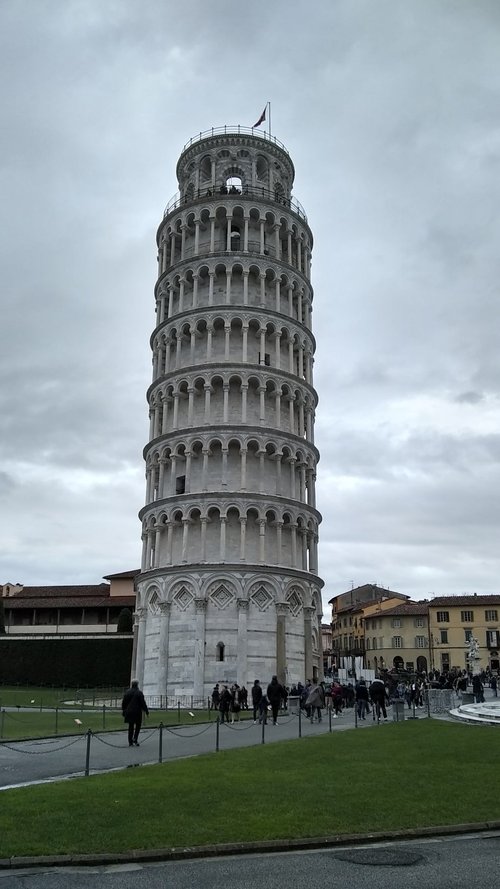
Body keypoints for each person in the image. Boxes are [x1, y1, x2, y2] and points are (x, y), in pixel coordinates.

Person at [122, 679, 149, 747]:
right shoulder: (139, 692)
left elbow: (124, 703)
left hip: (129, 711)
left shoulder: (127, 692)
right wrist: (146, 711)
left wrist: (124, 710)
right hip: (137, 712)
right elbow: (143, 703)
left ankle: (130, 742)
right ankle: (135, 738)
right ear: (137, 684)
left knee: (130, 726)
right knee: (138, 726)